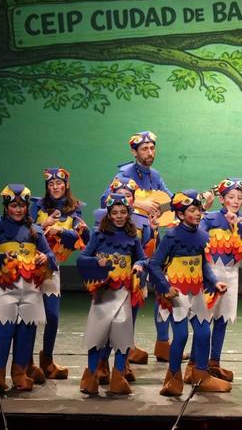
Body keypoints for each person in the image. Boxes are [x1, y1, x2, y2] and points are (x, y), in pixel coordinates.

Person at [0, 184, 57, 392]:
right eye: (14, 205)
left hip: (30, 290)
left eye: (22, 205)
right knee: (4, 331)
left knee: (26, 332)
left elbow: (52, 259)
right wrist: (1, 258)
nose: (18, 209)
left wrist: (44, 257)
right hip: (3, 290)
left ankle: (19, 374)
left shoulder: (36, 231)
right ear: (6, 207)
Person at [148, 190, 229, 397]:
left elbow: (203, 264)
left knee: (204, 333)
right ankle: (173, 378)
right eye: (192, 210)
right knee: (181, 335)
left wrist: (214, 282)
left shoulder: (201, 235)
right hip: (178, 293)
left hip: (196, 291)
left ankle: (201, 376)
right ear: (181, 215)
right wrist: (166, 288)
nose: (198, 213)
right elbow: (155, 264)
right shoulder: (172, 236)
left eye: (199, 209)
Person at [76, 191, 146, 395]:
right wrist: (97, 263)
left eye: (123, 212)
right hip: (103, 294)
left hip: (123, 293)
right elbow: (82, 259)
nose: (119, 216)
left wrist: (140, 266)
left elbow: (143, 259)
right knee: (96, 335)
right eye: (114, 212)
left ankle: (118, 376)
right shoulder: (98, 235)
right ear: (108, 214)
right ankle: (91, 375)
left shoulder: (134, 238)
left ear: (128, 213)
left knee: (123, 336)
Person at [114, 130, 173, 364]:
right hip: (133, 245)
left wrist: (196, 203)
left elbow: (171, 201)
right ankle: (126, 346)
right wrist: (138, 202)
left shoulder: (154, 175)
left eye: (152, 148)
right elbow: (106, 199)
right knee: (133, 296)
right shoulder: (124, 174)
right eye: (145, 149)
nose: (150, 152)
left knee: (162, 290)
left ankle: (162, 344)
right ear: (134, 151)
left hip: (153, 243)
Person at [29, 167, 89, 382]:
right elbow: (21, 228)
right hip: (29, 266)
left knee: (52, 317)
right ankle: (26, 363)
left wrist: (61, 231)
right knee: (29, 317)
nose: (55, 187)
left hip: (52, 268)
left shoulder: (74, 209)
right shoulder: (37, 205)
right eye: (51, 184)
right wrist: (42, 225)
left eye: (59, 183)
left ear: (66, 185)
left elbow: (81, 237)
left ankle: (47, 360)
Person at [201, 178, 242, 381]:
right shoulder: (208, 219)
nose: (235, 201)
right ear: (222, 199)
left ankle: (214, 362)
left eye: (239, 198)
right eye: (231, 197)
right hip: (209, 273)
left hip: (231, 275)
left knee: (222, 320)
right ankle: (197, 364)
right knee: (203, 320)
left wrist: (237, 226)